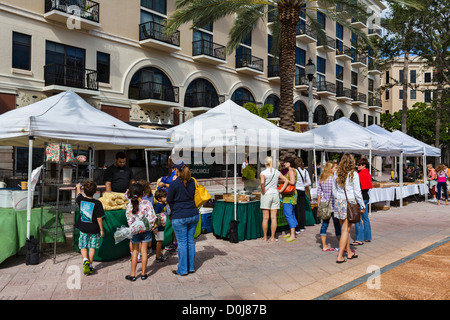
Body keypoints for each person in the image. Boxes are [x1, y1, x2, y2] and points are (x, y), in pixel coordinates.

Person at [166, 160, 199, 276]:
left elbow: (169, 199)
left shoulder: (175, 183)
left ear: (176, 170)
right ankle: (190, 268)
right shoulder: (192, 182)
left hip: (180, 215)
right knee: (190, 242)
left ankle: (183, 269)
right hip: (193, 214)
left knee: (182, 243)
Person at [332, 154, 365, 264]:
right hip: (349, 202)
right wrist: (362, 204)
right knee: (346, 230)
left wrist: (339, 198)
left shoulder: (337, 173)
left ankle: (349, 252)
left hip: (339, 202)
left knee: (343, 228)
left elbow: (334, 190)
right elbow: (357, 192)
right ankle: (340, 256)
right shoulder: (353, 174)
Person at [125, 183, 156, 281]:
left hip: (135, 232)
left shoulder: (129, 205)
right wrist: (146, 227)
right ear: (143, 193)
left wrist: (136, 228)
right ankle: (143, 273)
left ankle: (133, 274)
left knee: (135, 253)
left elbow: (129, 220)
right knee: (144, 252)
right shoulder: (147, 203)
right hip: (146, 231)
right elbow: (152, 218)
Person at [75, 181, 105, 275]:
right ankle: (90, 264)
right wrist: (101, 230)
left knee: (83, 246)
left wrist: (78, 188)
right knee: (92, 247)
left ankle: (85, 260)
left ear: (85, 190)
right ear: (95, 191)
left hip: (83, 228)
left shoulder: (81, 200)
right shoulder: (97, 203)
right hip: (94, 229)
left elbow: (79, 194)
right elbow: (99, 218)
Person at [260, 156, 289, 242]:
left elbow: (262, 182)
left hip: (267, 194)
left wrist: (263, 190)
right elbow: (286, 181)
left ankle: (265, 237)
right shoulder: (277, 172)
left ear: (265, 163)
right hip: (275, 194)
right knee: (274, 218)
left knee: (265, 218)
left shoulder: (263, 172)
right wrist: (280, 190)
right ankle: (273, 237)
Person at [317, 161, 341, 252]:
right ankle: (341, 245)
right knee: (337, 226)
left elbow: (319, 192)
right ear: (331, 169)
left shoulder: (322, 178)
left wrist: (320, 205)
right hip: (334, 205)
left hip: (325, 205)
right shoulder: (335, 179)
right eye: (335, 168)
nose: (336, 170)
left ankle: (324, 246)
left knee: (324, 225)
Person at [352, 158, 373, 245]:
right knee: (365, 218)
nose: (357, 166)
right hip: (366, 196)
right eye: (357, 164)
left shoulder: (359, 174)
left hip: (360, 197)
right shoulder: (367, 173)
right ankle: (367, 237)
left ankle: (359, 238)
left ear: (364, 165)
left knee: (358, 219)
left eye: (359, 164)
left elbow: (357, 189)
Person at [280, 157, 298, 243]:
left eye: (286, 162)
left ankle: (292, 235)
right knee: (291, 213)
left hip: (289, 196)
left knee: (288, 214)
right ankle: (291, 232)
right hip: (291, 195)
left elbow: (292, 182)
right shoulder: (293, 170)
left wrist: (285, 180)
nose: (284, 164)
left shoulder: (291, 171)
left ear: (290, 163)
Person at [294, 157, 312, 234]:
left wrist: (298, 185)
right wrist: (303, 185)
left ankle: (297, 227)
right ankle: (302, 226)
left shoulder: (295, 171)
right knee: (302, 208)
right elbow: (309, 182)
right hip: (303, 190)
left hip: (296, 190)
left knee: (297, 209)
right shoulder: (305, 171)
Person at [154, 189, 169, 262]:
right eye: (164, 196)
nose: (166, 197)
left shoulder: (163, 204)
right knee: (159, 241)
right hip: (158, 227)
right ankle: (158, 257)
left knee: (160, 241)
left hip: (161, 227)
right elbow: (155, 217)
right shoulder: (158, 206)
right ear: (159, 198)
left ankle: (159, 254)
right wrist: (155, 228)